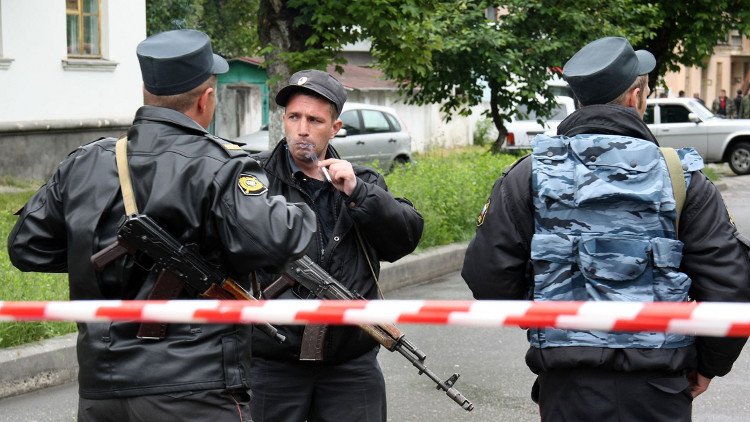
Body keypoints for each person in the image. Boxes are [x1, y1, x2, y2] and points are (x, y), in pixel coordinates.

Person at [7, 29, 317, 421]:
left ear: (146, 91)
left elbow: (27, 246)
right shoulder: (221, 165)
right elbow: (280, 240)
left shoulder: (85, 162)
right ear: (206, 99)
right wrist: (305, 200)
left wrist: (101, 256)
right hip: (194, 387)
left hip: (103, 389)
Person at [462, 36, 750, 421]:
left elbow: (487, 276)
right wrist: (709, 365)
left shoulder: (529, 175)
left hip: (566, 388)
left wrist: (545, 307)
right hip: (660, 389)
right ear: (635, 98)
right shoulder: (680, 178)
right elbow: (729, 284)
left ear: (580, 101)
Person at [247, 69, 424, 422]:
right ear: (283, 120)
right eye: (294, 117)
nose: (302, 129)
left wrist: (360, 194)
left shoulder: (363, 181)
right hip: (272, 362)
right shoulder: (254, 178)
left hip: (350, 365)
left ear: (335, 128)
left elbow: (403, 240)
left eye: (314, 120)